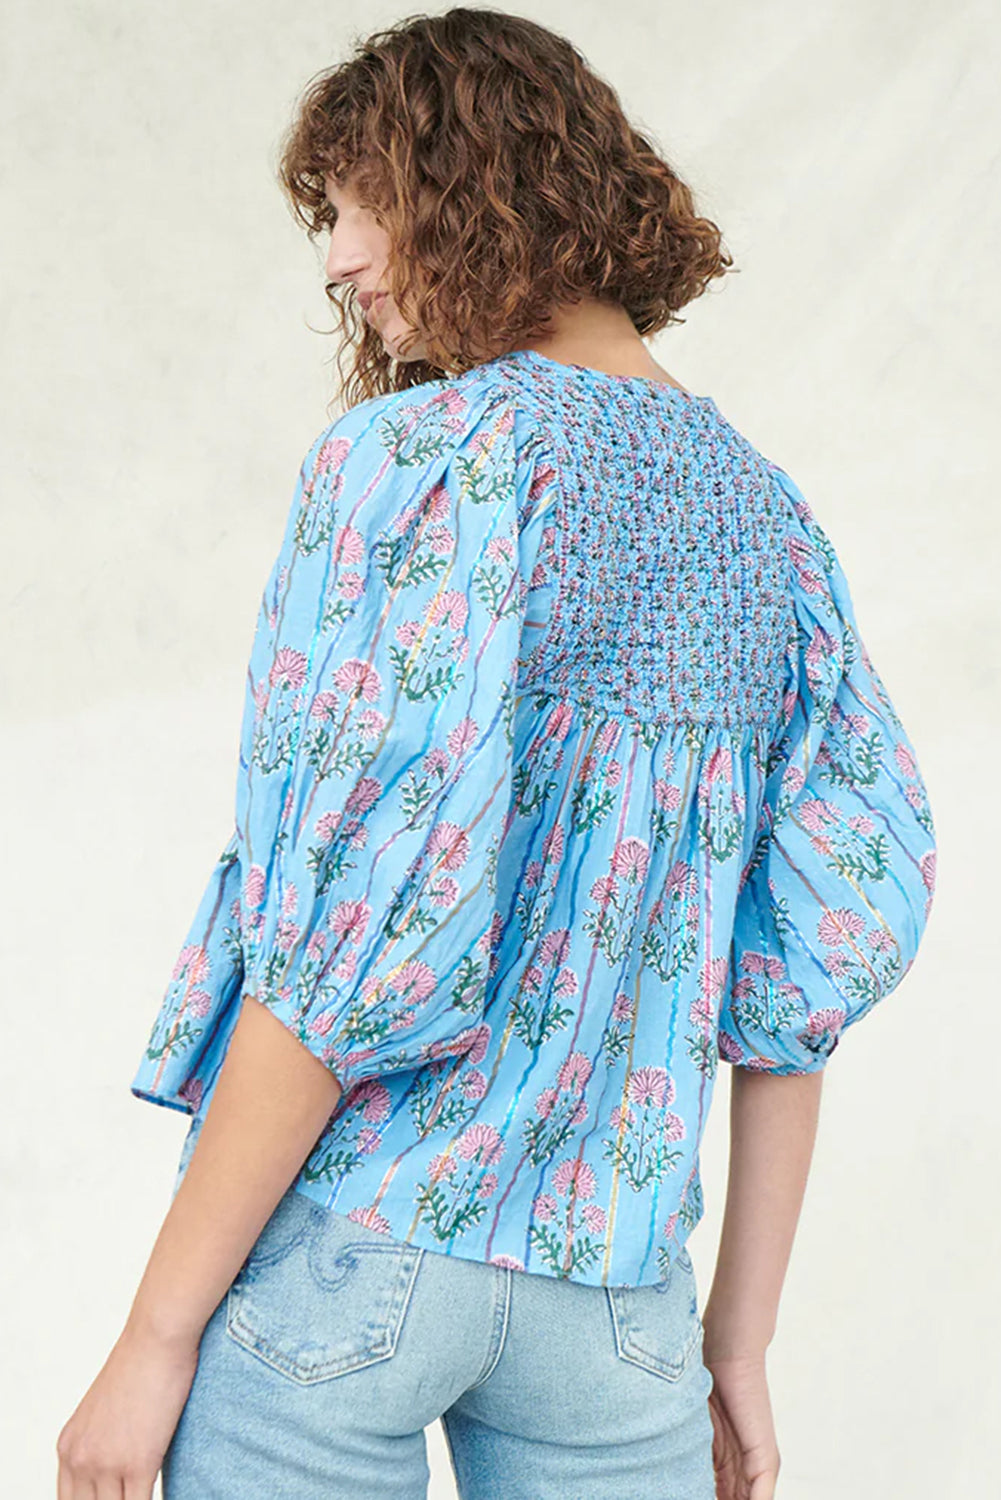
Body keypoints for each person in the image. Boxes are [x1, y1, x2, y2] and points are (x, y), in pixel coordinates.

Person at [56, 8, 937, 1499]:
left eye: (351, 208)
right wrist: (738, 1338)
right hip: (619, 1299)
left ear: (467, 189)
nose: (335, 259)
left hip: (364, 1249)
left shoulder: (419, 464)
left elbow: (345, 949)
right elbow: (804, 965)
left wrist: (151, 1337)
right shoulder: (770, 519)